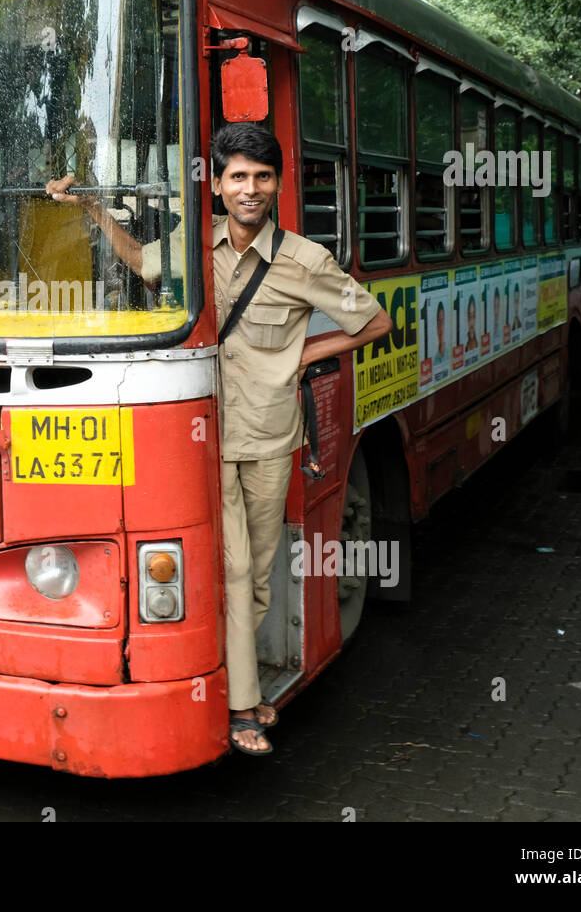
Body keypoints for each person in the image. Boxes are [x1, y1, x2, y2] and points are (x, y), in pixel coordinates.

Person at [48, 123, 391, 755]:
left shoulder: (302, 261)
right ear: (219, 185)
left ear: (278, 185)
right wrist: (94, 208)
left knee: (257, 574)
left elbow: (374, 321)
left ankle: (245, 690)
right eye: (237, 177)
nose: (250, 189)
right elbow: (140, 262)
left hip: (266, 437)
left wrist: (308, 349)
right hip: (199, 437)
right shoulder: (195, 243)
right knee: (232, 568)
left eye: (262, 177)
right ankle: (237, 707)